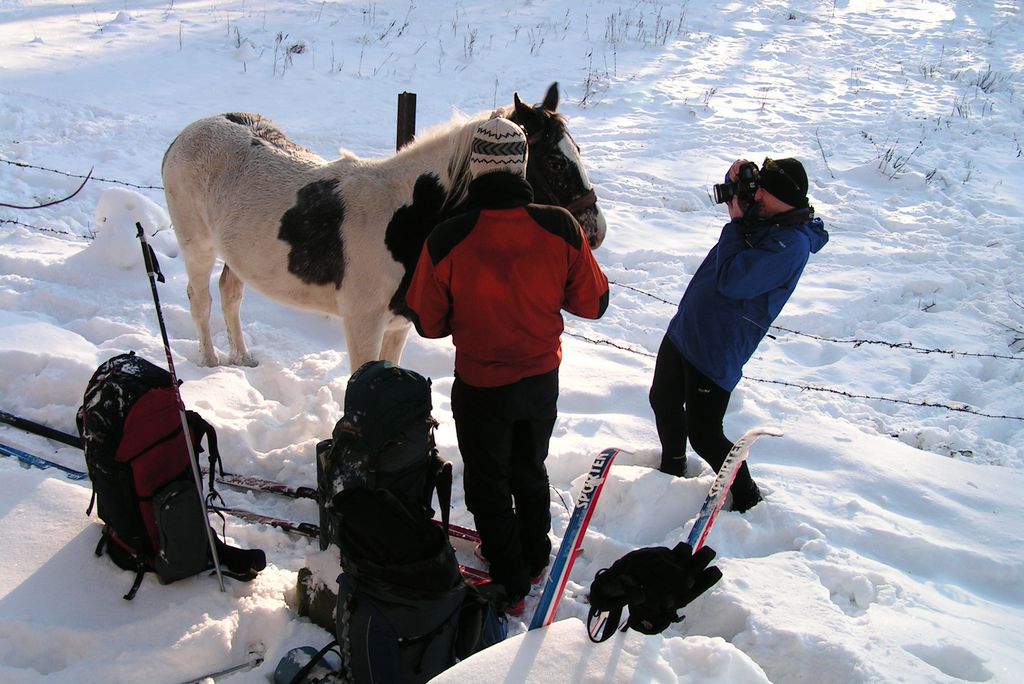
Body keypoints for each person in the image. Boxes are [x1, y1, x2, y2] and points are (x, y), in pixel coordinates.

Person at [406, 117, 609, 614]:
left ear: (475, 168)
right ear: (520, 165)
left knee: (487, 479)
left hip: (481, 385)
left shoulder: (448, 237)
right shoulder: (559, 225)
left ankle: (510, 579)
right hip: (541, 379)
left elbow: (426, 323)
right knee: (529, 467)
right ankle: (535, 557)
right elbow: (595, 303)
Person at [649, 157, 829, 512]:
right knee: (663, 400)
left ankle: (749, 501)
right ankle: (670, 471)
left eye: (762, 189)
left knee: (705, 435)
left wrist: (734, 225)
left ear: (783, 198)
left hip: (717, 349)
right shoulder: (766, 215)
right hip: (687, 328)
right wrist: (735, 179)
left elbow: (734, 280)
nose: (755, 194)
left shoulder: (790, 246)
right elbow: (742, 199)